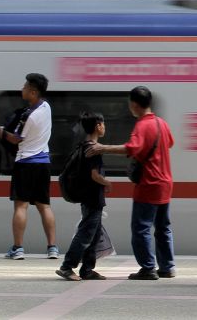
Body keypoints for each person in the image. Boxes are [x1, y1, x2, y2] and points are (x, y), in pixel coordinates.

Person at [87, 86, 176, 280]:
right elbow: (170, 143)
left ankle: (148, 268)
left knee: (141, 228)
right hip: (165, 183)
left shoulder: (142, 125)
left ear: (134, 104)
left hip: (149, 184)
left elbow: (132, 148)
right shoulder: (162, 123)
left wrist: (103, 148)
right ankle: (167, 267)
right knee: (163, 227)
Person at [0, 73, 58, 260]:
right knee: (44, 206)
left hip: (25, 163)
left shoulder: (28, 116)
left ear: (33, 92)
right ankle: (52, 248)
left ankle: (17, 248)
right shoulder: (46, 107)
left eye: (25, 87)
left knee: (21, 206)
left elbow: (15, 139)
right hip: (43, 163)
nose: (22, 89)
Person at [56, 112, 112, 281]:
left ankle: (87, 269)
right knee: (86, 234)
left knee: (94, 235)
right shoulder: (94, 149)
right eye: (103, 124)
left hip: (90, 197)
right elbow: (94, 175)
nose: (104, 127)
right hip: (92, 197)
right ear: (98, 126)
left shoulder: (83, 145)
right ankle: (67, 267)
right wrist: (107, 183)